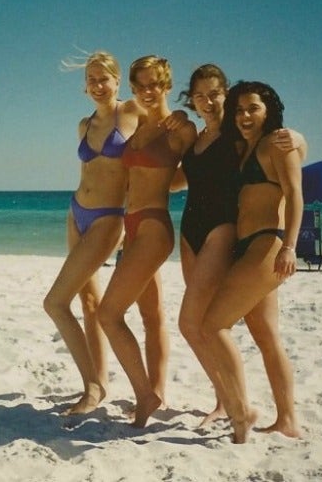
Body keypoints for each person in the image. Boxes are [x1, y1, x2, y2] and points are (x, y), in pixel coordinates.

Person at [43, 51, 185, 416]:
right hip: (77, 214)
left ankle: (148, 389)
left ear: (117, 82)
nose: (97, 86)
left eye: (103, 79)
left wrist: (179, 123)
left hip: (112, 217)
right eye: (91, 80)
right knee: (87, 303)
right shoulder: (83, 125)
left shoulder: (134, 112)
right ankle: (97, 386)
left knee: (142, 309)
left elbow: (167, 145)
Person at [176, 66, 306, 428]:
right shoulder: (236, 143)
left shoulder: (263, 141)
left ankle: (238, 407)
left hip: (260, 242)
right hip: (234, 243)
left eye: (253, 109)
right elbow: (191, 177)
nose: (245, 116)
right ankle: (286, 419)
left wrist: (291, 246)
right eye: (241, 109)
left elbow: (296, 189)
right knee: (265, 335)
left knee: (209, 324)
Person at [97, 55, 197, 428]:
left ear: (167, 85)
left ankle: (145, 394)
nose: (147, 91)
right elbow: (145, 173)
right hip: (132, 226)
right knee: (150, 316)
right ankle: (157, 390)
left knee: (108, 314)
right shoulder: (138, 126)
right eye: (139, 85)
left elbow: (198, 168)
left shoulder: (180, 129)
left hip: (155, 226)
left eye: (154, 84)